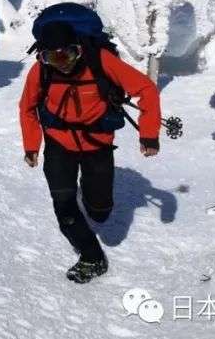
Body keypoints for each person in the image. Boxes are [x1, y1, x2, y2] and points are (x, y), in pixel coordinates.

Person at [19, 19, 161, 283]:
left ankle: (91, 196)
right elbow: (27, 107)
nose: (62, 62)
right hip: (59, 144)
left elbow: (146, 88)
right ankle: (91, 257)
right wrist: (31, 146)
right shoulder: (41, 71)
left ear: (79, 49)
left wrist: (149, 134)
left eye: (67, 54)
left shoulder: (101, 60)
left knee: (100, 211)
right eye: (53, 57)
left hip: (97, 143)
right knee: (64, 206)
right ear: (43, 56)